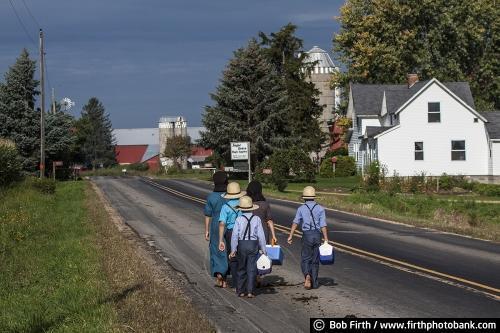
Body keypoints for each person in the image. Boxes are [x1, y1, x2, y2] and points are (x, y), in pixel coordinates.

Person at [287, 186, 329, 290]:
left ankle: (307, 275)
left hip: (307, 235)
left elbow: (295, 222)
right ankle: (314, 283)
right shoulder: (320, 209)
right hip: (317, 234)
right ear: (314, 197)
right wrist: (326, 238)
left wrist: (291, 235)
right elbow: (323, 225)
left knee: (306, 258)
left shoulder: (301, 208)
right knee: (315, 260)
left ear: (304, 197)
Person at [230, 196, 267, 298]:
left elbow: (234, 236)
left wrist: (233, 249)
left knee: (241, 268)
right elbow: (261, 235)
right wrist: (263, 249)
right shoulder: (257, 219)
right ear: (251, 208)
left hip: (242, 245)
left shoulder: (239, 219)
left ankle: (241, 291)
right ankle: (250, 291)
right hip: (253, 245)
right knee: (251, 268)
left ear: (241, 208)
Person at [218, 182, 246, 288]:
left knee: (233, 258)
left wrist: (221, 240)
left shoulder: (225, 207)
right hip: (243, 232)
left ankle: (236, 283)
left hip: (230, 232)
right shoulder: (243, 204)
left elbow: (222, 223)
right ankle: (244, 281)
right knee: (243, 256)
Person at [204, 171, 229, 287]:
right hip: (229, 225)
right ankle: (225, 277)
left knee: (216, 249)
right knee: (228, 249)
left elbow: (208, 215)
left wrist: (206, 230)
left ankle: (219, 273)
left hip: (215, 225)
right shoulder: (231, 196)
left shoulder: (211, 197)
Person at [246, 180, 277, 245]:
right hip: (263, 232)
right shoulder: (265, 204)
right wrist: (273, 236)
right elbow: (269, 221)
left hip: (249, 233)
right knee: (263, 253)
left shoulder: (246, 204)